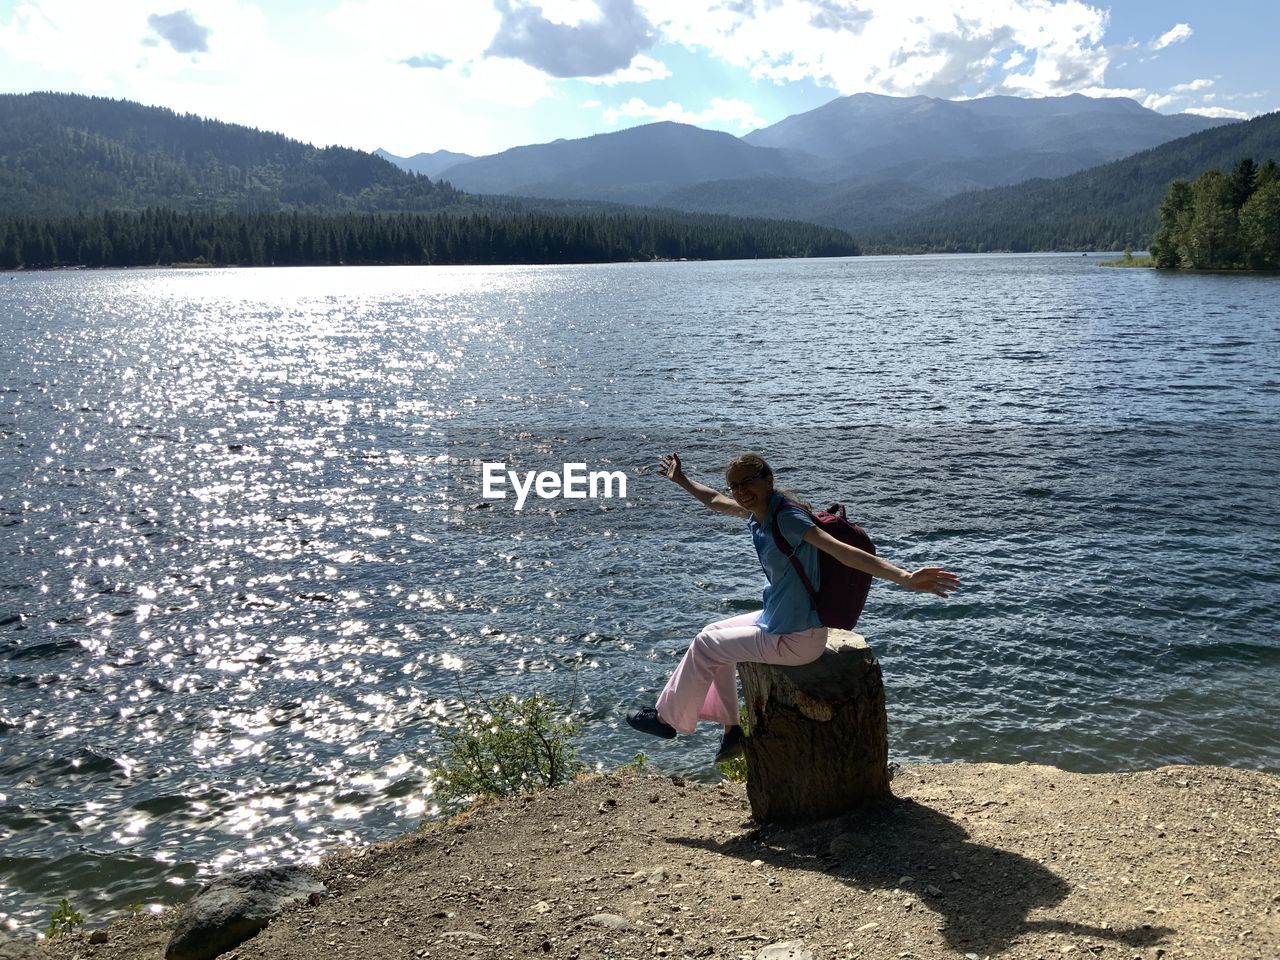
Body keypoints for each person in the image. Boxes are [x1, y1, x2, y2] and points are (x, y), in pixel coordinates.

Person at [625, 451, 960, 764]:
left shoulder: (787, 518)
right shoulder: (759, 514)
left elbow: (842, 551)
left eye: (748, 482)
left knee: (707, 647)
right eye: (735, 485)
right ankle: (732, 731)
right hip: (778, 621)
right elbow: (714, 500)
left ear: (768, 479)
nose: (741, 491)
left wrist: (905, 577)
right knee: (711, 634)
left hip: (797, 638)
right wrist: (681, 480)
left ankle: (668, 720)